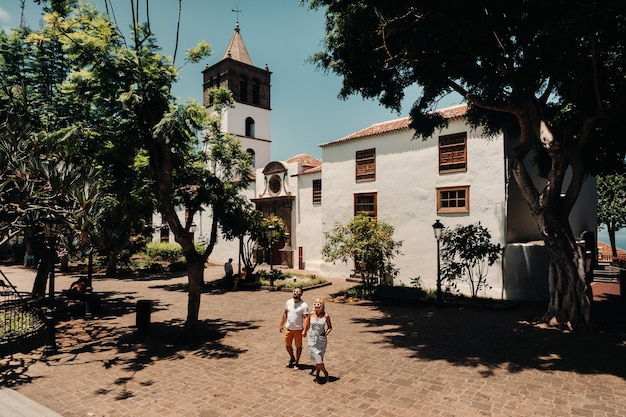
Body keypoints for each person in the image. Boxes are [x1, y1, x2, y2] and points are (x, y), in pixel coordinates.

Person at [279, 287, 309, 370]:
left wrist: (305, 330)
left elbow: (306, 318)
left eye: (297, 292)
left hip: (298, 329)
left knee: (298, 346)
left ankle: (297, 362)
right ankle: (292, 357)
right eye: (294, 291)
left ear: (301, 294)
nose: (295, 293)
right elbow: (285, 313)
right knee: (287, 345)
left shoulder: (304, 305)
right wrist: (281, 324)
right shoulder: (288, 302)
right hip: (288, 328)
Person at [307, 297, 332, 383]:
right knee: (317, 358)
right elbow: (307, 325)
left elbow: (330, 327)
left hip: (321, 340)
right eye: (315, 304)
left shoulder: (326, 316)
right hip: (311, 338)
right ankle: (325, 373)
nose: (316, 306)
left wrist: (325, 334)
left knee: (319, 358)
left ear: (321, 306)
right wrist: (303, 332)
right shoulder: (310, 314)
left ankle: (318, 375)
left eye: (318, 304)